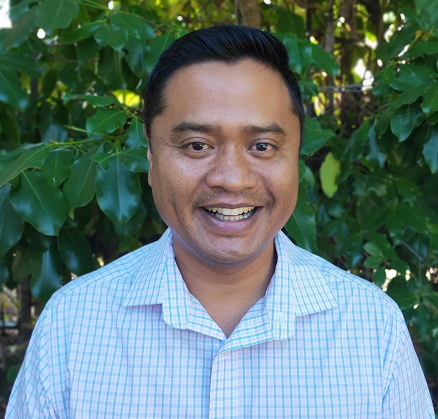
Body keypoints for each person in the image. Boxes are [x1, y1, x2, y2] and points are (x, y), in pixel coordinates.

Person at [6, 25, 434, 418]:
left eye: (263, 145)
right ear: (152, 160)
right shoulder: (72, 325)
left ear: (297, 157)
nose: (231, 178)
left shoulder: (372, 330)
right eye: (196, 145)